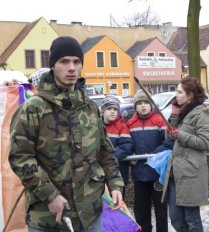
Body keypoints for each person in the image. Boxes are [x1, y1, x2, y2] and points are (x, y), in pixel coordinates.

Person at [9, 36, 124, 232]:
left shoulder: (90, 107)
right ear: (53, 65)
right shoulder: (33, 109)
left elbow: (104, 151)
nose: (71, 67)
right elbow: (20, 157)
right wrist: (50, 195)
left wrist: (115, 183)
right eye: (64, 61)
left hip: (90, 215)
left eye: (76, 62)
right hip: (48, 218)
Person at [161, 77, 209, 232]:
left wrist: (180, 135)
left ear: (190, 95)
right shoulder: (182, 113)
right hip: (175, 173)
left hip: (191, 172)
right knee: (176, 219)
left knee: (192, 219)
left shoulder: (203, 114)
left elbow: (205, 143)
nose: (176, 95)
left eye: (179, 92)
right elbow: (169, 138)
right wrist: (174, 117)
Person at [126, 89, 171, 232]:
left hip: (158, 174)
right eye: (139, 103)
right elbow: (127, 144)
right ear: (135, 107)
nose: (143, 106)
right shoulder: (130, 124)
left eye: (146, 102)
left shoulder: (160, 121)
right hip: (139, 174)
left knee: (161, 210)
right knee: (141, 210)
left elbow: (167, 143)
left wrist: (153, 155)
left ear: (152, 105)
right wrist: (130, 156)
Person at [101, 95, 133, 197]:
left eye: (115, 109)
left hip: (118, 172)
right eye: (109, 109)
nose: (112, 111)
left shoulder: (122, 127)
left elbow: (127, 145)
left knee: (117, 203)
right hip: (99, 174)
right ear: (102, 111)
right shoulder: (96, 126)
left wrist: (110, 157)